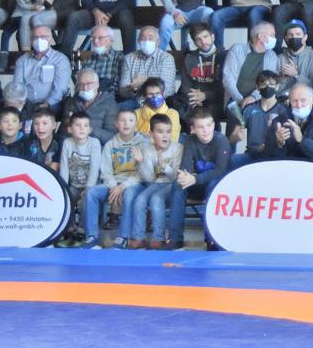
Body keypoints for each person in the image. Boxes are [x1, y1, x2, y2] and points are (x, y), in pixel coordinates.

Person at [81, 109, 149, 249]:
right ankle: (92, 236)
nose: (126, 123)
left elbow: (143, 173)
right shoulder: (110, 145)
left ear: (136, 124)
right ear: (116, 124)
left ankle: (122, 237)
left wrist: (122, 187)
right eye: (122, 120)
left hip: (134, 184)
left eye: (130, 120)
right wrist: (113, 186)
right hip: (113, 184)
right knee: (91, 193)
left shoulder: (143, 144)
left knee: (129, 194)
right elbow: (105, 171)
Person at [168, 107, 231, 250]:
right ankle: (175, 240)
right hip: (196, 183)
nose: (205, 130)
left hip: (216, 185)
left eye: (209, 125)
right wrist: (184, 177)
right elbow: (185, 167)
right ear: (193, 129)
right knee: (178, 186)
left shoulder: (221, 140)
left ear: (214, 125)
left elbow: (220, 171)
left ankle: (211, 239)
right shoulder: (190, 141)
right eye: (200, 127)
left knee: (213, 186)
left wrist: (195, 178)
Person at [130, 113, 183, 249]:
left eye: (168, 131)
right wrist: (141, 162)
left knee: (155, 199)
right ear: (151, 134)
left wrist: (164, 165)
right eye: (160, 132)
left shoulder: (178, 148)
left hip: (172, 184)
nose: (165, 135)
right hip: (156, 183)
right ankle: (138, 237)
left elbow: (175, 177)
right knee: (140, 199)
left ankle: (158, 237)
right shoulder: (148, 150)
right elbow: (150, 179)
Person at [265, 81, 313, 165]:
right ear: (289, 101)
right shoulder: (279, 121)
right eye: (294, 101)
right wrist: (278, 144)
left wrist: (302, 140)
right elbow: (268, 157)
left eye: (303, 100)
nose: (299, 105)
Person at [57, 112, 102, 243]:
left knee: (85, 202)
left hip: (92, 185)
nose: (82, 128)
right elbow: (64, 168)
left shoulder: (94, 143)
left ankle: (83, 229)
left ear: (90, 129)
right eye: (78, 125)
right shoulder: (67, 143)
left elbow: (94, 169)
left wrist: (88, 189)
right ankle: (68, 228)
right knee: (66, 199)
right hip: (74, 184)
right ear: (70, 129)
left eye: (85, 125)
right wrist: (64, 188)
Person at [229, 71, 287, 165]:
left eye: (272, 84)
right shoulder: (249, 109)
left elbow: (286, 141)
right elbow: (232, 139)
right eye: (263, 84)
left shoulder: (283, 110)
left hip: (275, 157)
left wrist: (272, 145)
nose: (267, 87)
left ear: (277, 87)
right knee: (232, 160)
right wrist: (236, 136)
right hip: (252, 155)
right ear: (257, 87)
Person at [12, 23, 71, 115]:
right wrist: (20, 104)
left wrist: (47, 103)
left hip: (52, 104)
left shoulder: (60, 59)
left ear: (50, 38)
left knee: (42, 114)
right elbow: (17, 86)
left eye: (43, 36)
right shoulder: (22, 61)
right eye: (36, 37)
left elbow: (60, 88)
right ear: (31, 40)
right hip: (27, 104)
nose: (40, 40)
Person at [222, 22, 279, 110]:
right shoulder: (237, 50)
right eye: (272, 35)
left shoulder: (271, 55)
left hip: (259, 100)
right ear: (261, 36)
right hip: (235, 101)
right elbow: (228, 79)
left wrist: (253, 97)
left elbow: (269, 81)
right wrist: (240, 100)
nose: (275, 38)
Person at [118, 27, 177, 104]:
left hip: (160, 102)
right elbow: (122, 90)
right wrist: (133, 88)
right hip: (134, 101)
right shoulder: (129, 58)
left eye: (150, 38)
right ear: (138, 41)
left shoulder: (166, 58)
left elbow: (168, 90)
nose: (146, 41)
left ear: (158, 42)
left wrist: (143, 82)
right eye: (143, 38)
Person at [60, 68, 118, 145]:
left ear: (97, 84)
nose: (85, 88)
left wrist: (90, 130)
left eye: (89, 84)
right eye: (81, 84)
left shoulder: (110, 104)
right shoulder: (71, 102)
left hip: (97, 150)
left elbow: (112, 137)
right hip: (72, 148)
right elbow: (62, 133)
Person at [277, 19, 313, 96]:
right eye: (290, 35)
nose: (294, 37)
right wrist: (282, 79)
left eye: (298, 34)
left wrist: (296, 75)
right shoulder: (279, 58)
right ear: (286, 38)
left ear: (305, 37)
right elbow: (274, 91)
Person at [79, 24, 124, 94]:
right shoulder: (87, 59)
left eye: (100, 38)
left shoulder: (120, 58)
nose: (95, 41)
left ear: (111, 40)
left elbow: (121, 89)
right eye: (93, 38)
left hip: (111, 100)